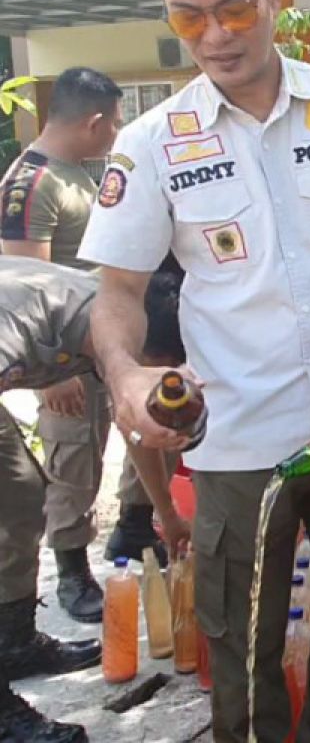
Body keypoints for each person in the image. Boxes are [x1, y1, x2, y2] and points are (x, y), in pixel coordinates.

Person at [81, 0, 310, 740]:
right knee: (239, 652)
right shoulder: (151, 141)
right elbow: (118, 296)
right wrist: (128, 374)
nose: (216, 36)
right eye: (187, 16)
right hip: (234, 440)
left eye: (235, 7)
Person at [0, 66, 164, 622]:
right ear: (93, 121)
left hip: (99, 336)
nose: (116, 134)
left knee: (140, 428)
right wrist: (56, 380)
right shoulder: (33, 182)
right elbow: (22, 276)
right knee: (74, 460)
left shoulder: (77, 173)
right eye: (114, 124)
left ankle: (135, 529)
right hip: (59, 352)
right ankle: (71, 568)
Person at [0, 257, 186, 743]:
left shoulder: (123, 332)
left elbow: (137, 427)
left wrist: (168, 514)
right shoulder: (35, 319)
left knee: (18, 494)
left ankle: (15, 642)